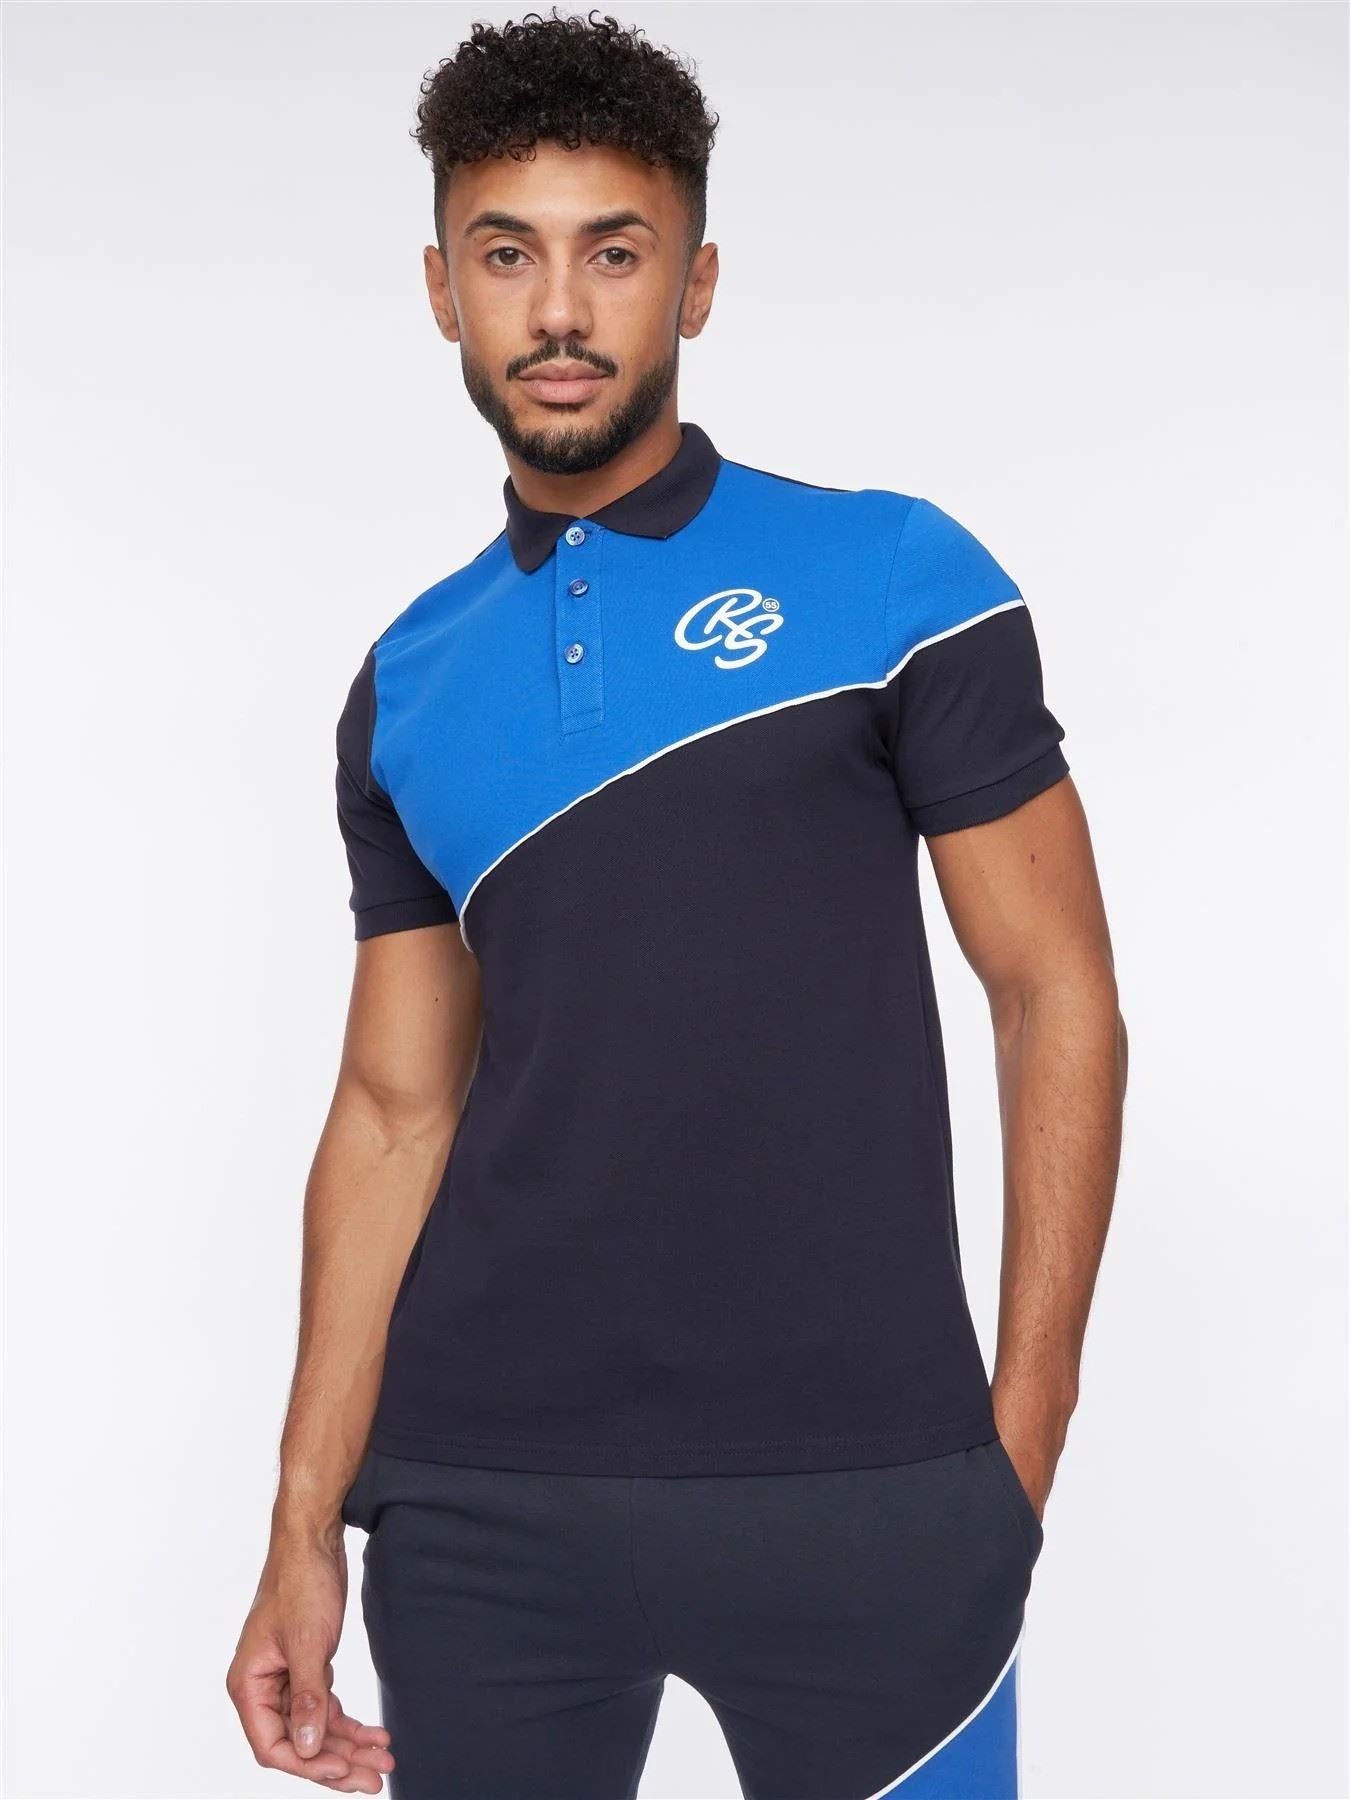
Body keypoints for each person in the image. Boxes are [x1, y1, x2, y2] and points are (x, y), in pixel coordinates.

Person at [226, 11, 1127, 1797]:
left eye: (614, 253)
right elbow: (395, 1110)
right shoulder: (407, 679)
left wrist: (1017, 1440)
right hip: (481, 1505)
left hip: (871, 1492)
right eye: (507, 254)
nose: (559, 310)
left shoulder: (893, 577)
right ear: (441, 290)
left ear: (696, 282)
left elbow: (1056, 998)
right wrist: (301, 1522)